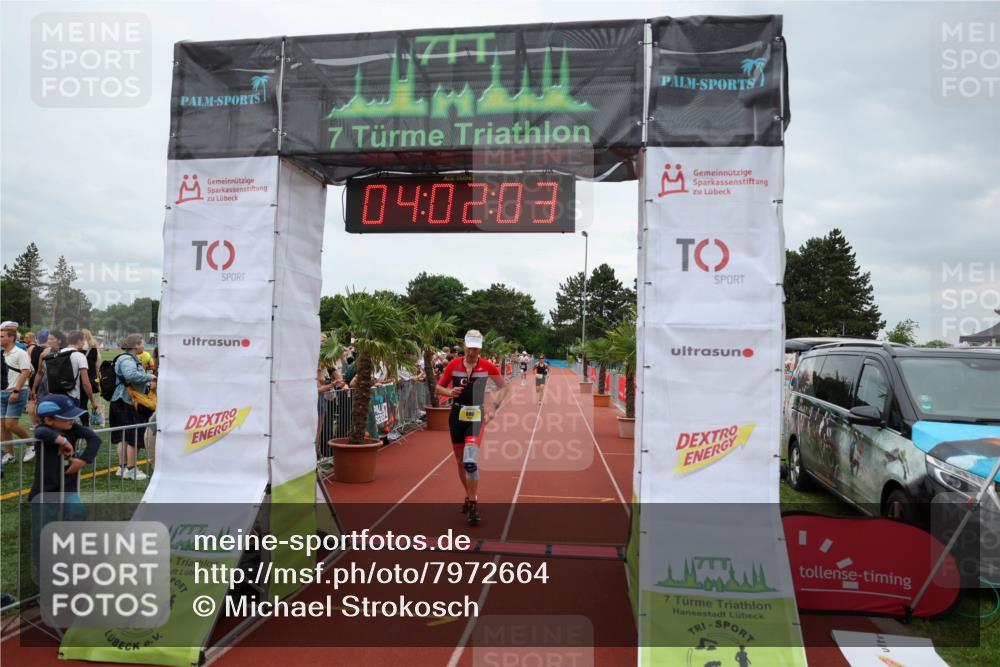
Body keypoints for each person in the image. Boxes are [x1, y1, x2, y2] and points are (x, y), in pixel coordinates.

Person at [435, 329, 510, 526]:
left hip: (476, 416)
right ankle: (468, 496)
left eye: (476, 348)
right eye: (469, 347)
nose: (472, 352)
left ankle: (474, 503)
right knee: (460, 461)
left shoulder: (487, 366)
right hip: (457, 416)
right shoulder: (453, 364)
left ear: (480, 348)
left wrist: (493, 408)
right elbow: (438, 387)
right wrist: (450, 392)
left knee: (470, 461)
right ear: (464, 346)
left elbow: (504, 387)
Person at [29, 394, 101, 576]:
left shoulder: (73, 427)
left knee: (77, 524)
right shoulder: (44, 430)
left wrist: (83, 460)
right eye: (67, 417)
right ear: (49, 419)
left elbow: (95, 438)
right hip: (44, 493)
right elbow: (40, 432)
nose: (72, 420)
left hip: (68, 489)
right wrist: (63, 441)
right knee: (43, 535)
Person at [109, 334, 155, 480]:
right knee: (132, 435)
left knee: (123, 435)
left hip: (121, 400)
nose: (144, 346)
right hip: (125, 400)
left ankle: (123, 468)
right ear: (135, 345)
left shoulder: (127, 358)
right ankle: (131, 469)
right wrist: (151, 377)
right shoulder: (127, 359)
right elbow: (131, 376)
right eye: (142, 343)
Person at [1, 325, 32, 464]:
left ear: (11, 338)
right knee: (2, 425)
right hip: (3, 392)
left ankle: (31, 445)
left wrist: (16, 391)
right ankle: (9, 454)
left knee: (11, 424)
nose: (0, 339)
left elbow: (26, 372)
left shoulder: (21, 352)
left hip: (17, 392)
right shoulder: (2, 353)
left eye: (2, 336)